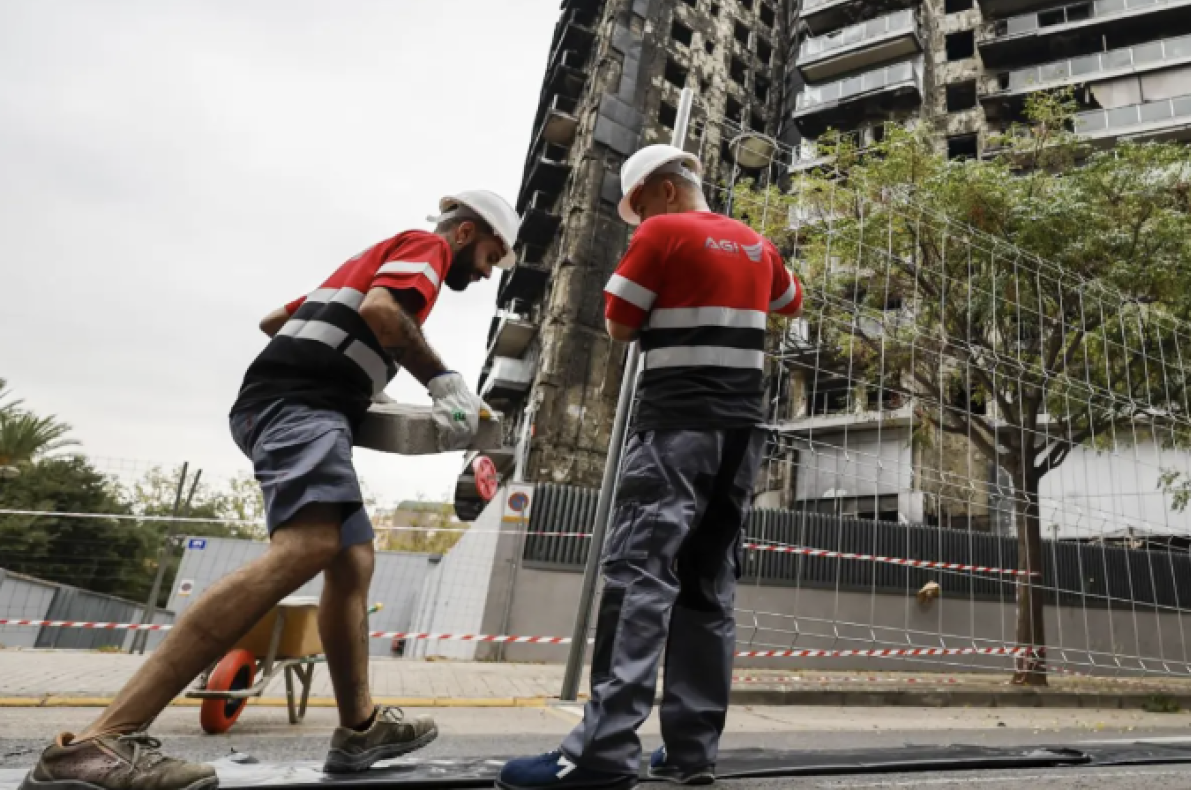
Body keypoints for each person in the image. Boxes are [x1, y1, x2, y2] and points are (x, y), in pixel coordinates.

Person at [22, 191, 521, 790]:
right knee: (308, 545)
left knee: (352, 556)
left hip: (298, 403)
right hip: (298, 406)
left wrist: (361, 376)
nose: (489, 270)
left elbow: (275, 323)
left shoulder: (361, 264)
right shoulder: (429, 247)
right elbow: (388, 313)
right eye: (492, 254)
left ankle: (360, 728)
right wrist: (441, 380)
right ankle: (102, 741)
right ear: (466, 234)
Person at [500, 146, 802, 790]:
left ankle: (600, 753)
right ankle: (692, 753)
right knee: (707, 586)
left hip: (675, 425)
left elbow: (618, 322)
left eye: (637, 205)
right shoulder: (757, 242)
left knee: (640, 575)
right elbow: (788, 303)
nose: (637, 219)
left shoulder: (663, 232)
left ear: (663, 191)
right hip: (742, 432)